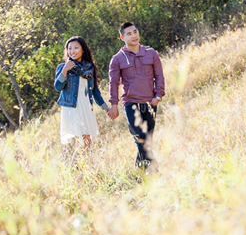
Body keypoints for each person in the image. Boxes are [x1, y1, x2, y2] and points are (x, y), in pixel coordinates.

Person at [107, 22, 165, 171]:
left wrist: (158, 96)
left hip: (150, 102)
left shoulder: (151, 52)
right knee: (140, 137)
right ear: (122, 37)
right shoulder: (117, 59)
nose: (134, 35)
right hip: (131, 103)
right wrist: (114, 104)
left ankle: (139, 168)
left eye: (135, 32)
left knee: (147, 140)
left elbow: (159, 76)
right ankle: (153, 170)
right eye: (129, 34)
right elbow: (113, 83)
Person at [54, 36, 109, 164]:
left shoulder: (89, 68)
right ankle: (75, 170)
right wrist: (65, 70)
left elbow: (95, 91)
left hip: (86, 107)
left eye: (76, 48)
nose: (72, 51)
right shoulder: (63, 67)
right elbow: (58, 87)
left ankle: (81, 171)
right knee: (85, 142)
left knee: (85, 143)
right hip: (72, 107)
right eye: (69, 48)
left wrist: (106, 108)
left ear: (83, 50)